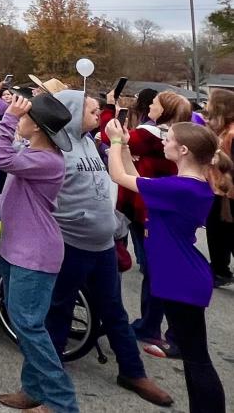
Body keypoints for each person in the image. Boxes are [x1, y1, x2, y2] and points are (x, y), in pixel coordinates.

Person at [28, 91, 172, 408]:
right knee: (57, 315)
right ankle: (45, 385)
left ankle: (133, 372)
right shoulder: (53, 148)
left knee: (115, 312)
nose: (99, 114)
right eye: (92, 109)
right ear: (70, 112)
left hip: (103, 244)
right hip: (70, 244)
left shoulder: (90, 141)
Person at [105, 118, 230, 413]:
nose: (163, 141)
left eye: (168, 138)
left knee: (197, 359)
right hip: (184, 274)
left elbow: (118, 176)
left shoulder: (180, 188)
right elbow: (134, 179)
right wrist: (124, 147)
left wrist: (115, 141)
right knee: (193, 356)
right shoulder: (185, 186)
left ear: (183, 149)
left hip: (181, 278)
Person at [0, 92, 79, 413]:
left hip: (34, 255)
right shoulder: (33, 152)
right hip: (15, 249)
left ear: (35, 127)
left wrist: (5, 120)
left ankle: (63, 403)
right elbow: (15, 185)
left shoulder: (48, 160)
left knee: (29, 326)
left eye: (22, 118)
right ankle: (33, 390)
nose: (18, 121)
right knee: (29, 324)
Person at [106, 90, 191, 355]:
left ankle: (154, 327)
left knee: (157, 272)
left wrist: (111, 112)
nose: (150, 106)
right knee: (156, 270)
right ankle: (156, 326)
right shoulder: (170, 141)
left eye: (155, 103)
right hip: (150, 202)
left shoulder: (154, 135)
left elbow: (120, 165)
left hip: (149, 209)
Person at [203, 88, 234, 286]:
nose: (206, 105)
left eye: (209, 101)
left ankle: (220, 270)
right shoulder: (223, 129)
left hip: (228, 193)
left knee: (224, 233)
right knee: (217, 233)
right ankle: (220, 269)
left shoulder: (231, 133)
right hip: (219, 190)